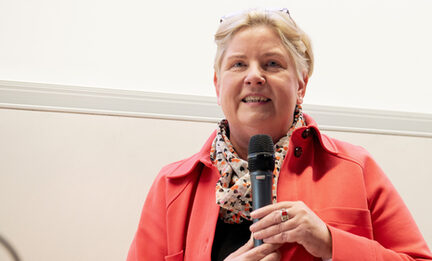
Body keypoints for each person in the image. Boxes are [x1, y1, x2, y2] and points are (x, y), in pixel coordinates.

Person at [127, 8, 432, 261]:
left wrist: (330, 243)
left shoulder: (356, 168)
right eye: (238, 64)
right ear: (218, 85)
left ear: (301, 86)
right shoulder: (172, 186)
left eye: (272, 64)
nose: (254, 76)